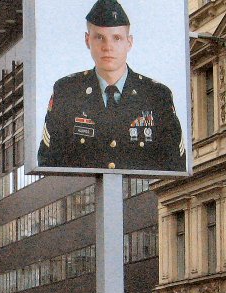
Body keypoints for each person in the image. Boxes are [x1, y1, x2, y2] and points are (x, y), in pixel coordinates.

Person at [37, 0, 185, 172]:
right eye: (99, 37)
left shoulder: (156, 95)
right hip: (87, 197)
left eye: (117, 38)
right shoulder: (67, 91)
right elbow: (48, 161)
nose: (108, 47)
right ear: (87, 40)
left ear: (129, 42)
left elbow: (175, 163)